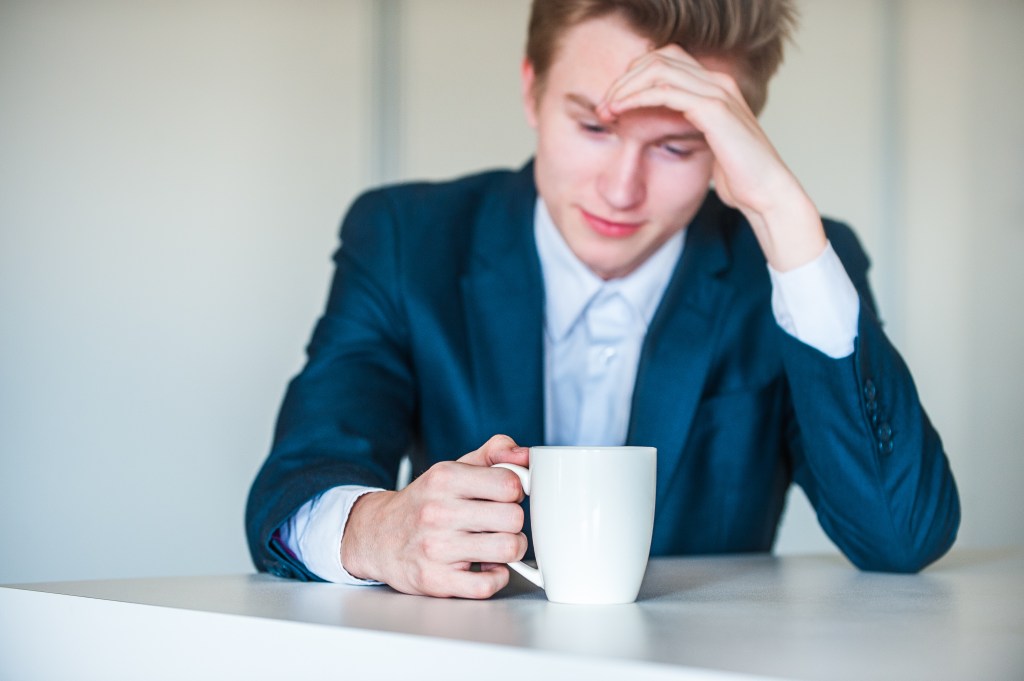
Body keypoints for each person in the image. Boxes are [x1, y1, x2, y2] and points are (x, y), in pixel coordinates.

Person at [246, 0, 960, 599]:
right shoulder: (406, 239)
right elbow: (294, 486)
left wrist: (780, 214)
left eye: (679, 147)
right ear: (531, 90)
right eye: (593, 126)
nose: (622, 190)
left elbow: (902, 536)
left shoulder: (790, 264)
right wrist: (377, 529)